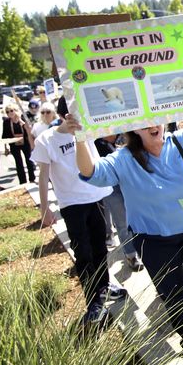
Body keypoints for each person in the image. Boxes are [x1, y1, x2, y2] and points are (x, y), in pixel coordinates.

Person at [73, 81, 183, 362]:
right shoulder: (122, 159)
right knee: (173, 294)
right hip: (154, 241)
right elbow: (91, 173)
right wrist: (80, 138)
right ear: (133, 128)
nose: (152, 125)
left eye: (155, 119)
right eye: (143, 122)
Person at [31, 109, 121, 329]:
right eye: (70, 113)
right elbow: (43, 175)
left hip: (96, 197)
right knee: (83, 254)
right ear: (63, 115)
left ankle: (104, 287)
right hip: (72, 204)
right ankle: (93, 303)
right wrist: (44, 208)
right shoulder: (47, 139)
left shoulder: (87, 130)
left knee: (101, 248)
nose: (75, 118)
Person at [94, 134, 144, 273]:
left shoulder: (126, 135)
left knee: (139, 217)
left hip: (130, 182)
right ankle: (131, 256)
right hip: (111, 188)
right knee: (122, 223)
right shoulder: (95, 142)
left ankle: (144, 250)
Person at [1, 102, 37, 185]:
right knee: (18, 162)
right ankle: (22, 181)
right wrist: (5, 147)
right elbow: (4, 135)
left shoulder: (23, 119)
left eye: (11, 111)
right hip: (14, 144)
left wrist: (21, 122)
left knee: (29, 160)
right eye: (7, 112)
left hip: (25, 142)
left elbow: (29, 130)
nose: (10, 113)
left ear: (16, 110)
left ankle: (32, 178)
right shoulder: (6, 122)